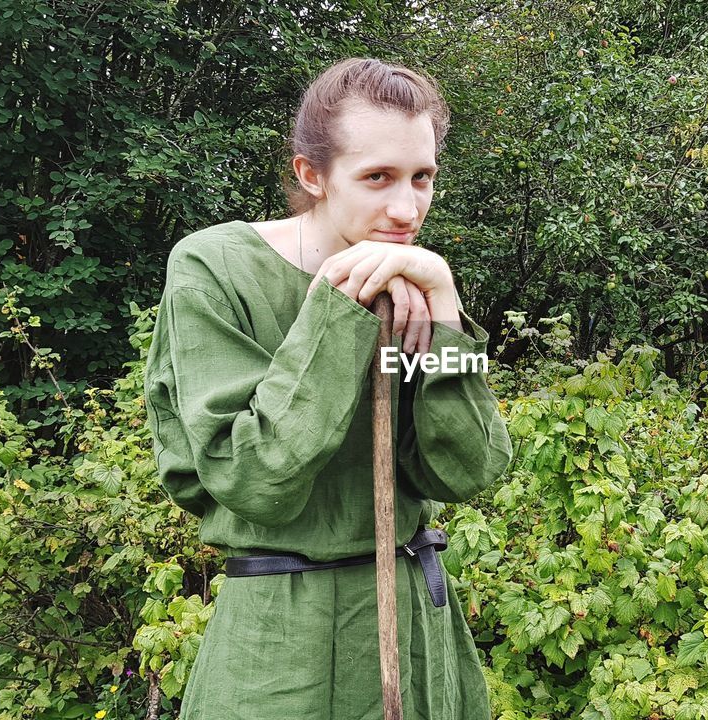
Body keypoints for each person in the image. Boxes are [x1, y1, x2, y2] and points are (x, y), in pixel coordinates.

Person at [142, 57, 513, 719]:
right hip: (282, 646)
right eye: (377, 177)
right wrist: (335, 312)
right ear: (311, 174)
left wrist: (446, 314)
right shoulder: (216, 270)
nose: (406, 208)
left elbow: (467, 470)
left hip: (414, 633)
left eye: (422, 177)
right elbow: (253, 475)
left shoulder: (412, 285)